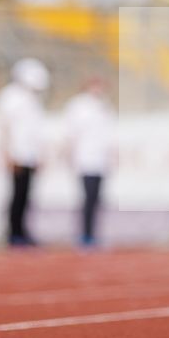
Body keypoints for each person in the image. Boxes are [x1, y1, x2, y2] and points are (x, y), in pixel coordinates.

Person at [0, 57, 49, 247]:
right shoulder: (10, 96)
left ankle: (23, 230)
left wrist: (39, 154)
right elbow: (4, 127)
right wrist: (7, 153)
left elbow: (35, 131)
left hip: (30, 154)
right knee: (16, 194)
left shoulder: (33, 100)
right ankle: (13, 232)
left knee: (26, 194)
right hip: (16, 154)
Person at [63, 75, 115, 248]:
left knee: (96, 199)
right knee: (87, 197)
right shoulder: (78, 106)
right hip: (85, 158)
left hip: (101, 160)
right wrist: (71, 155)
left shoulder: (104, 106)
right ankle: (85, 234)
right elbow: (71, 133)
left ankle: (92, 233)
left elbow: (107, 134)